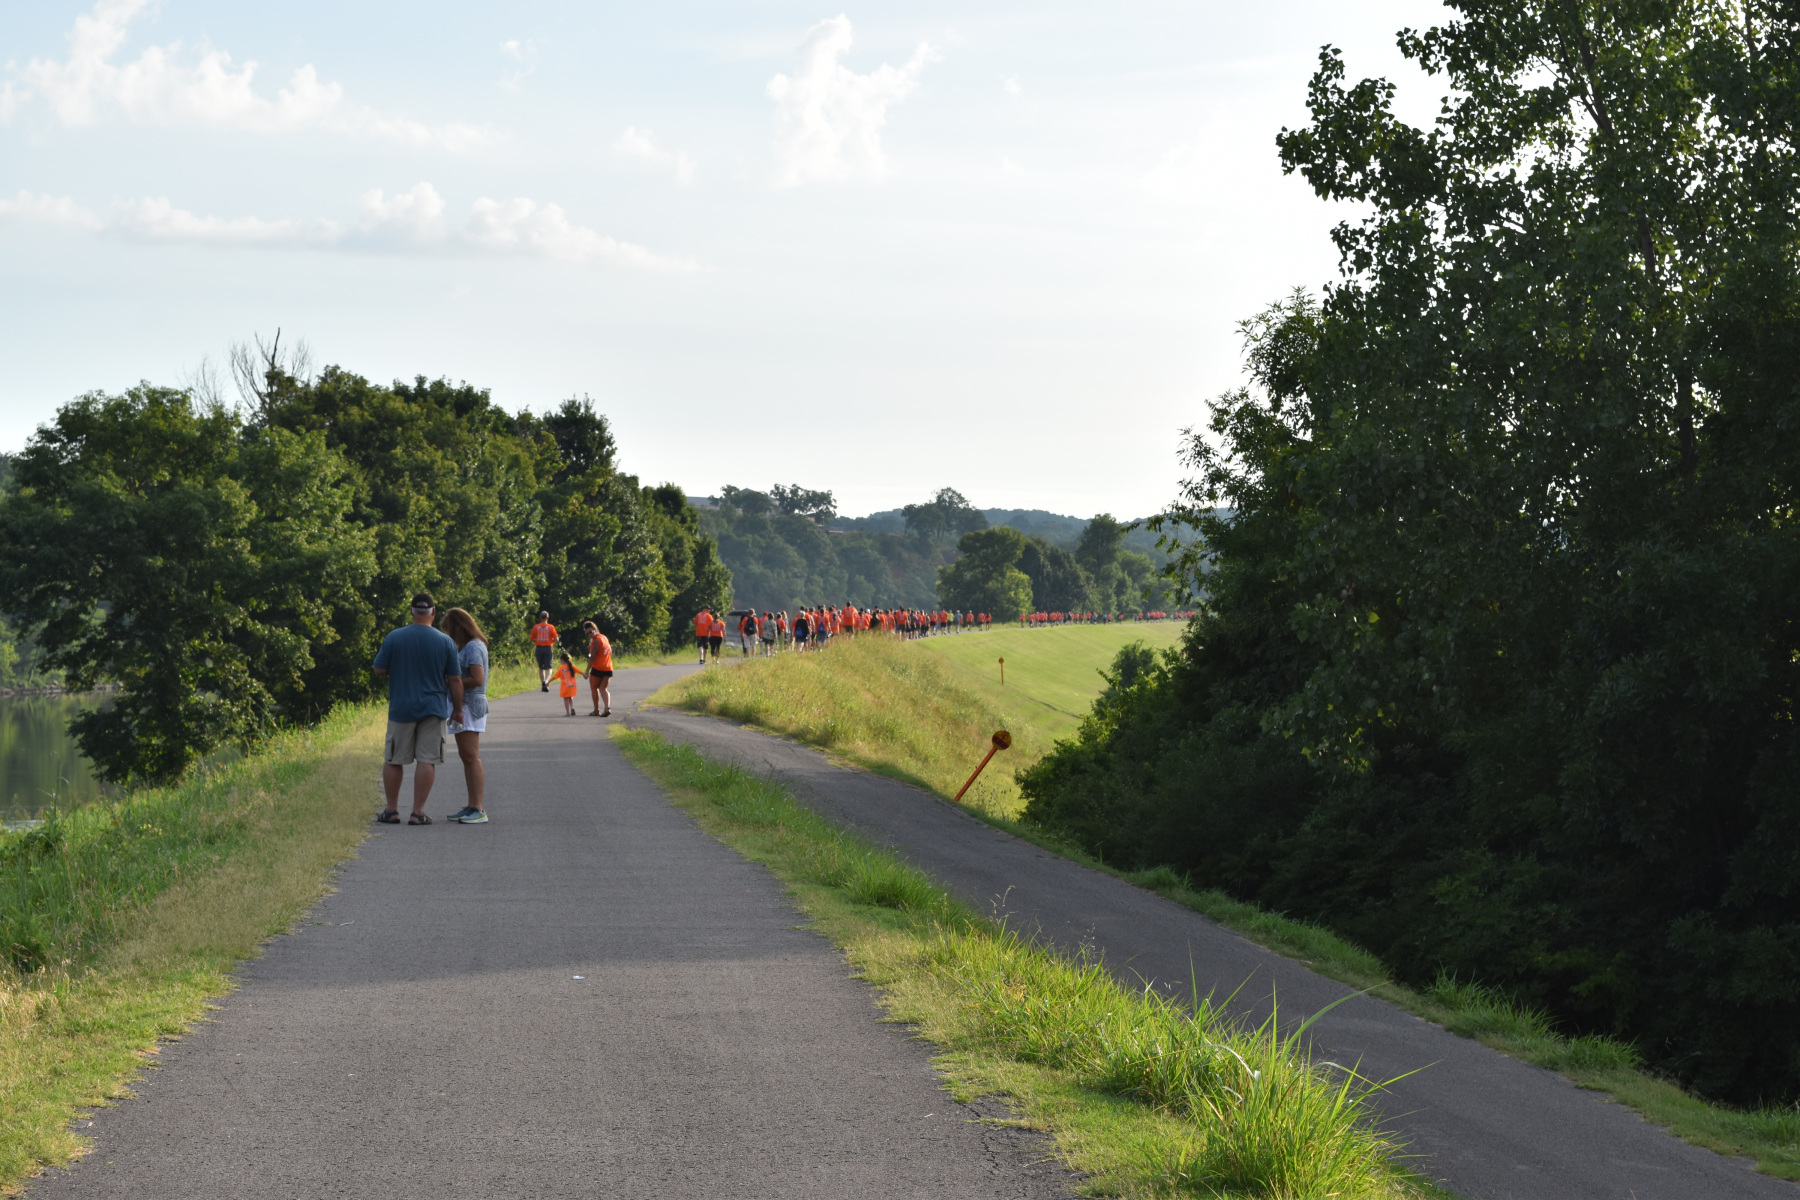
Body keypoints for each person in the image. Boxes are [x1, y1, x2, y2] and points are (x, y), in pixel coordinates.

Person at [371, 592, 464, 826]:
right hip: (433, 708)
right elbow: (455, 679)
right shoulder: (446, 642)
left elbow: (379, 669)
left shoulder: (394, 637)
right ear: (433, 612)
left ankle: (392, 811)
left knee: (394, 759)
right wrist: (458, 709)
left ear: (412, 611)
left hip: (401, 707)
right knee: (427, 759)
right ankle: (417, 812)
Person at [441, 607, 491, 824]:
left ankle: (478, 808)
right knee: (466, 757)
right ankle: (471, 805)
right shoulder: (471, 646)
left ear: (459, 627)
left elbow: (478, 678)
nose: (450, 635)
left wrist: (451, 682)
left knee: (471, 757)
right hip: (466, 704)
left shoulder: (473, 647)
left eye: (450, 630)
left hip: (470, 705)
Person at [585, 621, 614, 716]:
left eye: (590, 631)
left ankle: (596, 710)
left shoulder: (596, 641)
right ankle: (607, 708)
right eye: (587, 633)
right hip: (608, 667)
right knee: (603, 688)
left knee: (594, 688)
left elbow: (592, 657)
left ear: (595, 629)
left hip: (598, 668)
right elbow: (610, 650)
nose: (589, 634)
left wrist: (587, 671)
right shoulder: (604, 637)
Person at [530, 611, 558, 691]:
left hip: (539, 648)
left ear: (540, 618)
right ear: (547, 618)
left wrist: (537, 641)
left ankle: (543, 683)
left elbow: (531, 639)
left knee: (541, 667)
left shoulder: (536, 627)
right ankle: (546, 681)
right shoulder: (551, 627)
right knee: (549, 667)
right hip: (548, 647)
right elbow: (556, 639)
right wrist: (551, 641)